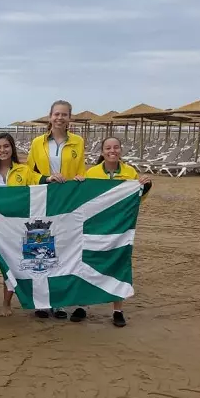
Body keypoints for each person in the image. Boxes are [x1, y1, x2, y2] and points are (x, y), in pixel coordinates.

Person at [74, 136, 152, 327]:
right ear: (102, 152)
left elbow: (136, 199)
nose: (112, 151)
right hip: (95, 227)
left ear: (120, 150)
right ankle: (82, 305)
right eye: (108, 148)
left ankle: (118, 310)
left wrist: (145, 186)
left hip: (119, 228)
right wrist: (78, 183)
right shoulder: (92, 172)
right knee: (87, 262)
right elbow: (83, 199)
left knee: (119, 263)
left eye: (116, 147)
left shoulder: (129, 172)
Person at [0, 133, 54, 316]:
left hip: (15, 228)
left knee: (11, 266)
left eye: (6, 146)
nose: (2, 150)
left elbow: (40, 179)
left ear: (12, 148)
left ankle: (7, 303)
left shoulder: (24, 170)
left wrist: (52, 178)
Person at [26, 100, 85, 320]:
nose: (60, 118)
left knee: (62, 249)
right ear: (50, 116)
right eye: (56, 114)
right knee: (40, 248)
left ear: (70, 118)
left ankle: (59, 302)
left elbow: (81, 171)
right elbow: (29, 173)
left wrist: (79, 178)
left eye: (64, 114)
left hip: (67, 203)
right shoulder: (37, 143)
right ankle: (42, 302)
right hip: (43, 200)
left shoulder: (78, 142)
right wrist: (46, 178)